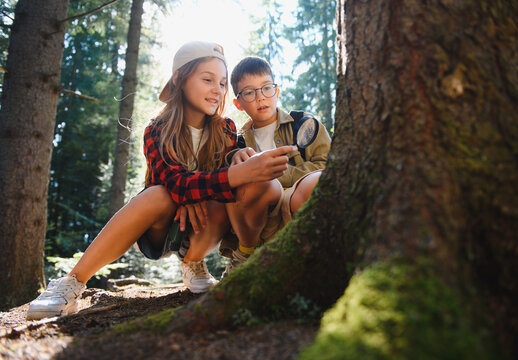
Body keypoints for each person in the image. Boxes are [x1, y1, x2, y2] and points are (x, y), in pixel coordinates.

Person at [26, 42, 296, 320]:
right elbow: (175, 183)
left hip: (201, 225)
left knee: (219, 198)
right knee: (160, 194)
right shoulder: (158, 129)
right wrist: (223, 179)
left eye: (223, 83)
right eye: (207, 79)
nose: (218, 89)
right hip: (161, 226)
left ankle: (193, 263)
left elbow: (223, 176)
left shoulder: (225, 129)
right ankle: (72, 281)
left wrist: (237, 157)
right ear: (180, 79)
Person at [220, 56, 332, 276]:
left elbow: (327, 165)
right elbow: (226, 185)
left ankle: (311, 258)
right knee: (249, 183)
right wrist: (239, 163)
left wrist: (277, 173)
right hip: (260, 222)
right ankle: (244, 255)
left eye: (266, 88)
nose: (260, 97)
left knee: (317, 182)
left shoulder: (305, 125)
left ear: (276, 92)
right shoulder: (237, 142)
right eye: (250, 92)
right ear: (238, 103)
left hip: (296, 206)